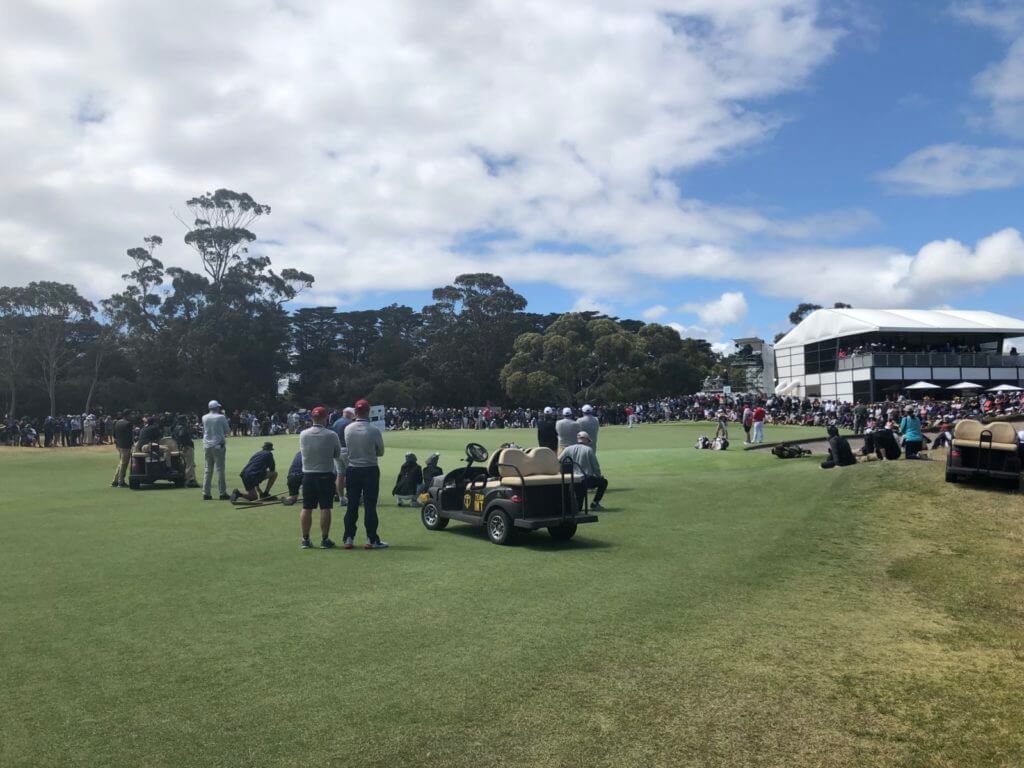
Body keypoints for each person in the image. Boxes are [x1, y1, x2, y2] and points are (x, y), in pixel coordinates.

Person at [344, 399, 388, 549]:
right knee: (370, 506)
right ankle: (371, 538)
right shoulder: (374, 430)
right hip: (370, 469)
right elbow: (380, 452)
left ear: (355, 412)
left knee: (352, 504)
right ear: (368, 411)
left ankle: (348, 537)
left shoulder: (348, 429)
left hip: (352, 469)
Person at [299, 406, 342, 549]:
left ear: (312, 417)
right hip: (325, 475)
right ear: (325, 418)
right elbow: (337, 454)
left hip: (308, 475)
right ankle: (324, 539)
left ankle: (305, 539)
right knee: (325, 507)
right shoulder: (331, 435)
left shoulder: (303, 434)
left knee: (307, 507)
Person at [559, 431, 607, 511]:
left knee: (579, 507)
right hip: (586, 479)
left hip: (573, 480)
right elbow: (595, 466)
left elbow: (559, 460)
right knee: (603, 482)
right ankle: (595, 503)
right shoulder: (589, 450)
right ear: (586, 440)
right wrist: (599, 476)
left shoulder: (568, 449)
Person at [202, 400, 230, 501]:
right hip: (218, 445)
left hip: (207, 445)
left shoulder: (204, 417)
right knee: (220, 470)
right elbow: (227, 431)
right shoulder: (221, 417)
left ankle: (206, 493)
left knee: (208, 470)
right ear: (217, 408)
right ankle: (222, 493)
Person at [331, 406, 355, 504]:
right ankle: (352, 496)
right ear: (349, 414)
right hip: (346, 450)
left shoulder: (336, 422)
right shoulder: (350, 423)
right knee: (352, 474)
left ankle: (341, 498)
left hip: (337, 450)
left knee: (340, 474)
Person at [171, 415, 199, 488]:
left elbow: (173, 437)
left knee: (187, 464)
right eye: (185, 419)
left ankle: (191, 480)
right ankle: (189, 481)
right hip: (187, 447)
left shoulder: (175, 428)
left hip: (180, 447)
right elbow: (182, 435)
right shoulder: (183, 427)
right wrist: (185, 445)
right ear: (183, 420)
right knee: (189, 464)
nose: (187, 421)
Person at [111, 412, 134, 488]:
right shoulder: (128, 424)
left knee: (121, 463)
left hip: (119, 445)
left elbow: (114, 434)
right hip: (126, 446)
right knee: (124, 464)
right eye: (131, 415)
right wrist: (132, 444)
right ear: (127, 415)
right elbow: (130, 436)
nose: (131, 416)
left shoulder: (117, 422)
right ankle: (121, 482)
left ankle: (115, 481)